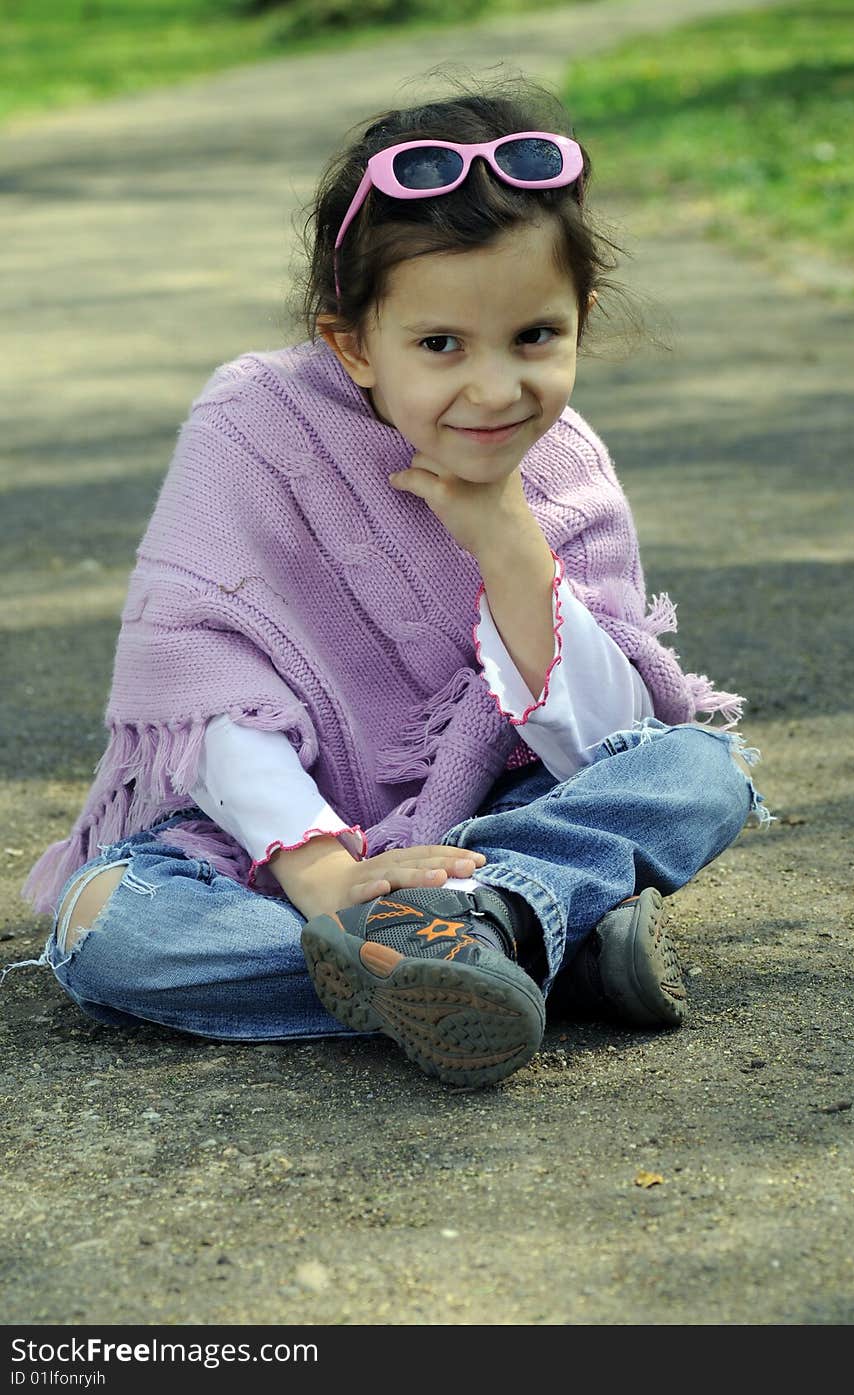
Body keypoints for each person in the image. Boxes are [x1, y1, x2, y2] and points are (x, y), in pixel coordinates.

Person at [7, 73, 773, 1090]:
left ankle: (492, 927)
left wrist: (507, 539)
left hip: (485, 837)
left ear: (580, 315)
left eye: (536, 337)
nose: (496, 388)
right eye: (440, 345)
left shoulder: (563, 463)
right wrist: (324, 873)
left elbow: (600, 744)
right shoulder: (254, 425)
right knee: (110, 933)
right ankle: (559, 953)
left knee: (695, 772)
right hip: (273, 847)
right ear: (353, 342)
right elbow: (206, 684)